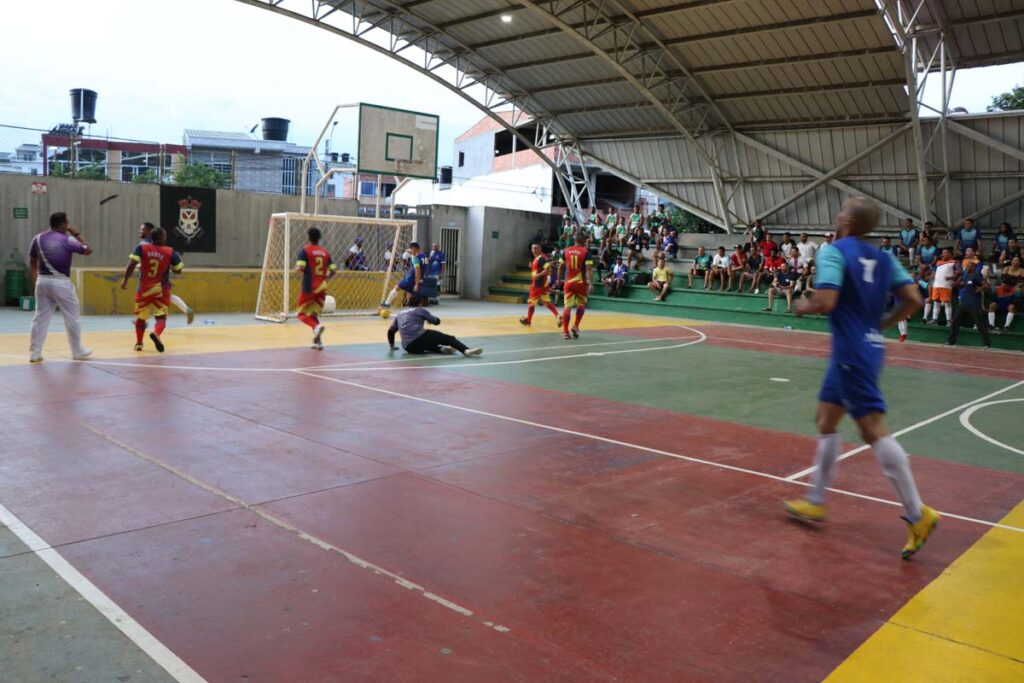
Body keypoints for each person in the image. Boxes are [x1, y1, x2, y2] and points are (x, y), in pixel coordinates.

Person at [782, 197, 938, 560]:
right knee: (826, 419)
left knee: (873, 429)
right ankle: (816, 501)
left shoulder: (834, 252)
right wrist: (879, 324)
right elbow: (913, 298)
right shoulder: (884, 257)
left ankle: (919, 514)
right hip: (862, 348)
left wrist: (803, 305)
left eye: (841, 211)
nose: (837, 215)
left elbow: (826, 302)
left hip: (851, 352)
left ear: (848, 221)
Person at [28, 211, 93, 363]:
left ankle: (35, 353)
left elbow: (32, 261)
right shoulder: (67, 240)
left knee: (40, 318)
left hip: (42, 281)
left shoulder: (37, 238)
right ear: (63, 224)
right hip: (60, 282)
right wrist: (77, 234)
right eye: (67, 223)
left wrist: (35, 280)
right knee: (72, 316)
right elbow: (88, 250)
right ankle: (77, 351)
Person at [121, 226, 184, 353]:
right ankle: (156, 333)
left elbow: (132, 264)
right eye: (164, 236)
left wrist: (125, 280)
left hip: (144, 289)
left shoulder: (142, 248)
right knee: (161, 317)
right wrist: (170, 267)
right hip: (160, 290)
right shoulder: (170, 251)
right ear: (161, 237)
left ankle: (139, 343)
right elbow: (178, 270)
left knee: (141, 317)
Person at [138, 222, 194, 324]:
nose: (140, 231)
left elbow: (148, 260)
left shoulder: (146, 245)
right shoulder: (155, 244)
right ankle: (186, 309)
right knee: (167, 296)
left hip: (152, 280)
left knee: (148, 298)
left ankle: (143, 321)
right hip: (160, 277)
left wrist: (140, 266)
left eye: (143, 230)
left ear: (150, 232)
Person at [388, 295, 481, 356]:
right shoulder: (420, 310)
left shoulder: (400, 313)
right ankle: (466, 350)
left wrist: (392, 346)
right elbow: (437, 321)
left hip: (409, 347)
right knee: (449, 339)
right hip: (419, 338)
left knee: (427, 343)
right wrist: (430, 320)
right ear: (420, 303)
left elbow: (391, 331)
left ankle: (441, 349)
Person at [292, 226, 336, 350]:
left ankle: (317, 328)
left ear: (308, 237)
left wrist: (296, 270)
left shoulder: (305, 250)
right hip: (322, 287)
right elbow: (333, 270)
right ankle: (318, 342)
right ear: (319, 238)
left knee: (301, 314)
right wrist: (325, 278)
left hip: (309, 287)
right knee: (313, 314)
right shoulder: (325, 252)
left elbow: (300, 268)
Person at [947, 259, 992, 348]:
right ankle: (951, 341)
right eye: (966, 266)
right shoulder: (966, 275)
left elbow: (987, 286)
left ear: (973, 267)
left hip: (974, 303)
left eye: (968, 266)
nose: (966, 267)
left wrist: (981, 289)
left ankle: (987, 344)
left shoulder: (977, 275)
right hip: (964, 303)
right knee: (955, 321)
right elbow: (963, 285)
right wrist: (956, 285)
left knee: (980, 324)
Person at [559, 234, 594, 339]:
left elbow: (560, 267)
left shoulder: (566, 251)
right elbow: (588, 268)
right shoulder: (586, 252)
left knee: (567, 307)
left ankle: (565, 332)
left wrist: (558, 280)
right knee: (581, 305)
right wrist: (591, 284)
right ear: (583, 240)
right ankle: (576, 325)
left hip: (568, 283)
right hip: (580, 283)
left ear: (574, 240)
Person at [520, 243, 562, 326]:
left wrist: (538, 275)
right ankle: (558, 316)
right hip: (543, 284)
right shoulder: (537, 258)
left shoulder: (541, 258)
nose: (534, 250)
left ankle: (528, 321)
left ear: (540, 249)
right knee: (546, 303)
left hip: (537, 284)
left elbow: (548, 269)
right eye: (532, 248)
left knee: (531, 303)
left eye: (536, 248)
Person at [382, 241, 423, 310]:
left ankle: (387, 303)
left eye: (411, 249)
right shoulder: (424, 256)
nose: (410, 250)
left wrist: (416, 283)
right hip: (419, 279)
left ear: (415, 249)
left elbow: (417, 270)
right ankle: (414, 310)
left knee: (397, 287)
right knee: (412, 295)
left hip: (412, 277)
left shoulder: (415, 257)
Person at [925, 248, 957, 325]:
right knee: (936, 303)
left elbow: (957, 273)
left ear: (950, 254)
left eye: (945, 253)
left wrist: (951, 278)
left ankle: (949, 320)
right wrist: (930, 277)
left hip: (946, 286)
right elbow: (934, 272)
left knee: (947, 303)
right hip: (936, 285)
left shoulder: (954, 262)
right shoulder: (938, 262)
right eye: (942, 253)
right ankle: (934, 319)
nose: (943, 254)